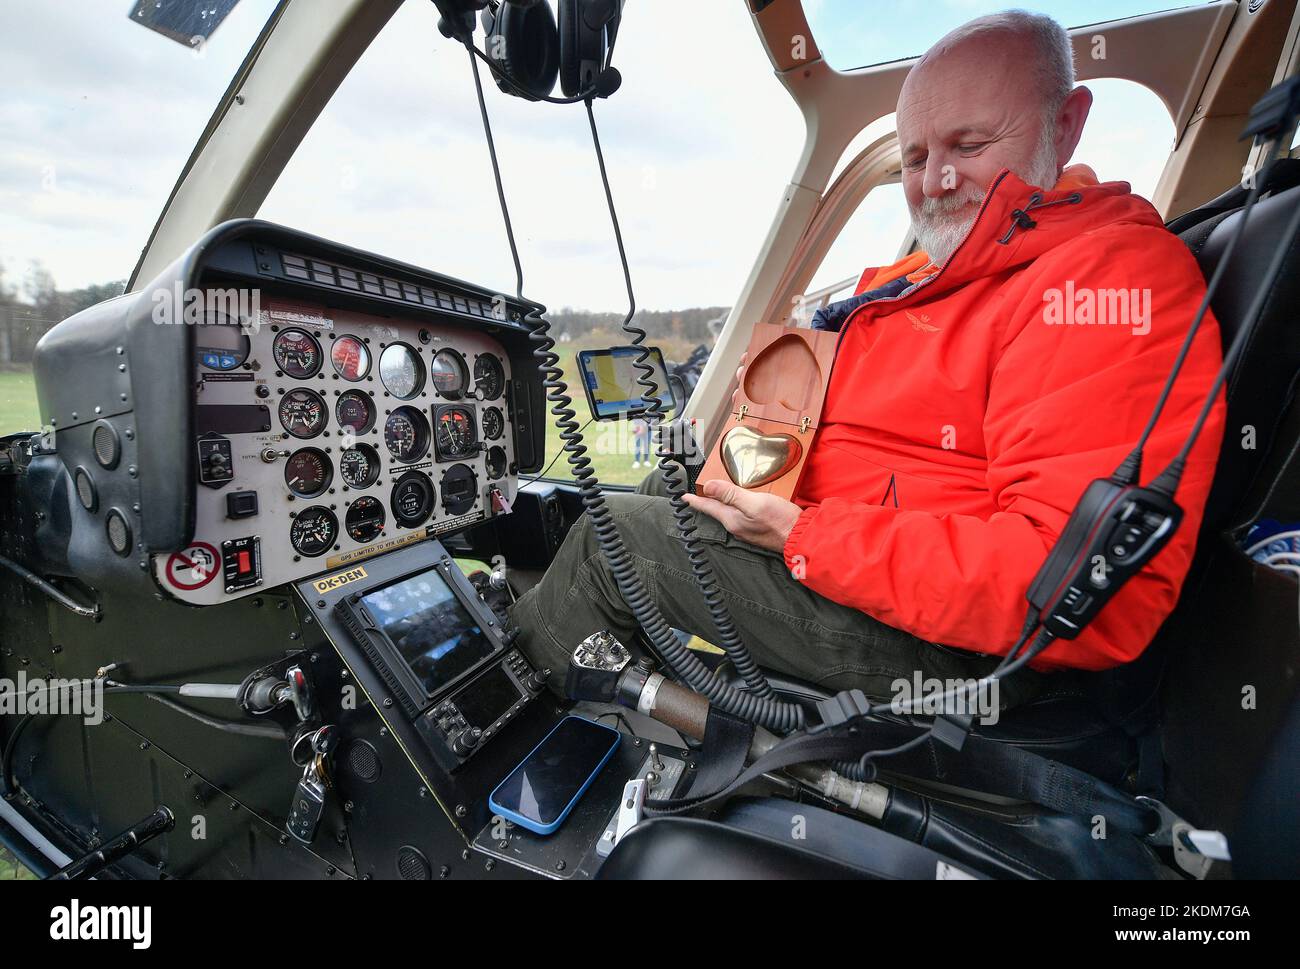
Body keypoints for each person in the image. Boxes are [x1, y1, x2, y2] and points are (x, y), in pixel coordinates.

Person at [510, 10, 1225, 708]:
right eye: (915, 158)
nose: (935, 181)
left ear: (1064, 124)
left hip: (964, 656)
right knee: (658, 482)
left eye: (969, 144)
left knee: (615, 545)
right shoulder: (935, 277)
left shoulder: (1106, 281)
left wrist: (805, 532)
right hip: (853, 564)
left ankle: (497, 753)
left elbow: (1074, 587)